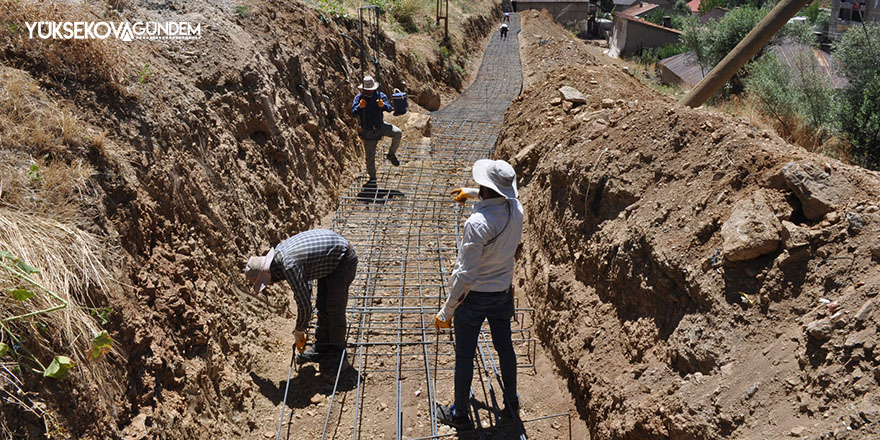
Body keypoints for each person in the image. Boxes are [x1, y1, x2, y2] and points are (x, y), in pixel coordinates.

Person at [434, 160, 524, 430]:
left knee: (464, 356)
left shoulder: (477, 224)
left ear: (486, 186)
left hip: (474, 298)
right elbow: (497, 200)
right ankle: (511, 401)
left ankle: (460, 414)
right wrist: (471, 192)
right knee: (505, 347)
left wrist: (446, 311)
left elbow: (466, 276)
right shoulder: (516, 209)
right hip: (502, 292)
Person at [245, 229, 358, 368]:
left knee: (334, 310)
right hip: (328, 259)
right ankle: (322, 346)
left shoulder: (289, 265)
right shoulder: (279, 256)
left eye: (265, 281)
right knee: (322, 306)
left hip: (343, 259)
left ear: (267, 271)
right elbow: (306, 280)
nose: (269, 284)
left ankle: (337, 354)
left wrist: (299, 330)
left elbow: (304, 305)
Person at [351, 75, 402, 186]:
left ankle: (391, 155)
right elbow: (353, 113)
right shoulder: (359, 98)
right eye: (367, 90)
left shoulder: (380, 95)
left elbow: (389, 108)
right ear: (363, 89)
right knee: (370, 157)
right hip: (368, 130)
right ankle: (372, 179)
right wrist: (360, 107)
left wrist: (383, 105)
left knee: (397, 133)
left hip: (380, 126)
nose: (369, 92)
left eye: (371, 90)